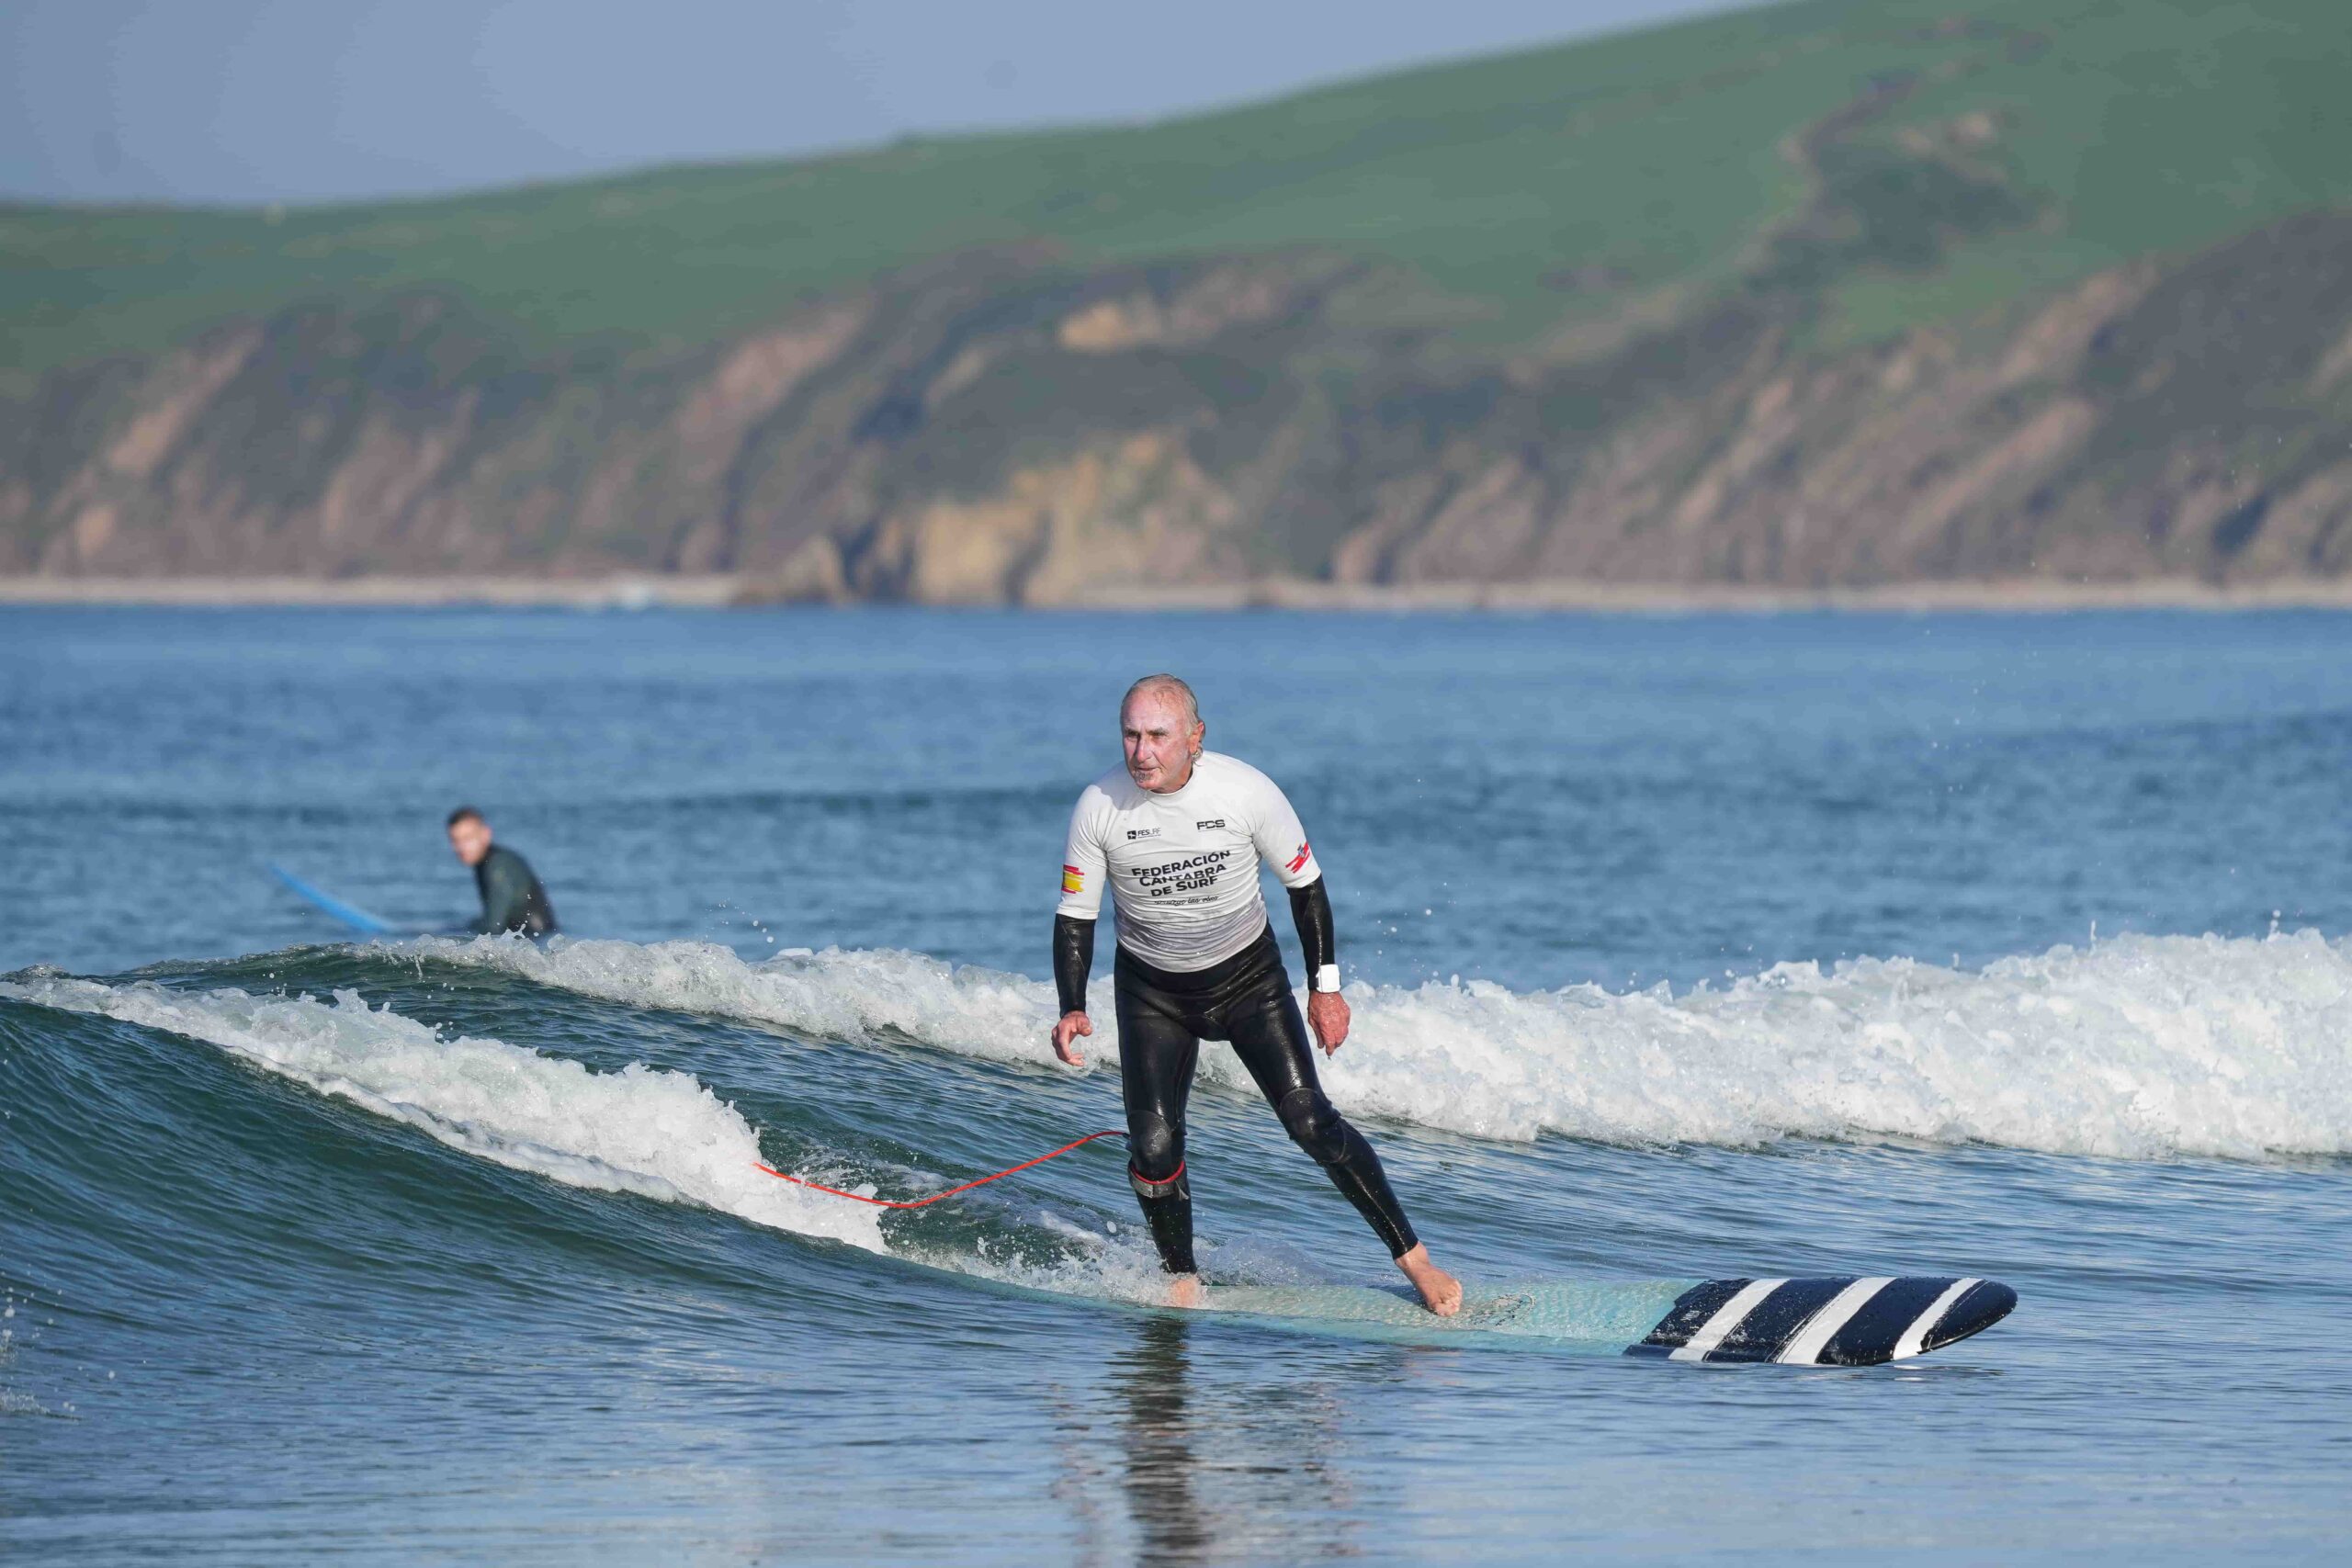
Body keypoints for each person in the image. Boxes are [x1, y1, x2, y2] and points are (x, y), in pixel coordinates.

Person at [1050, 675, 1461, 1315]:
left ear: (1195, 737)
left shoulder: (1245, 791)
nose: (1141, 751)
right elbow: (1076, 914)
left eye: (1158, 735)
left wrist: (1326, 990)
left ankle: (1415, 1258)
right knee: (1154, 1146)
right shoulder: (1099, 805)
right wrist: (1071, 1004)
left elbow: (1307, 886)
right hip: (1152, 991)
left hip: (1249, 982)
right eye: (1130, 734)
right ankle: (1181, 1275)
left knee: (1311, 1121)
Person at [445, 807, 559, 937]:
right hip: (533, 939)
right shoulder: (488, 862)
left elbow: (493, 926)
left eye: (468, 838)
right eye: (455, 840)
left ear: (485, 834)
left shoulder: (498, 866)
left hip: (535, 941)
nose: (461, 847)